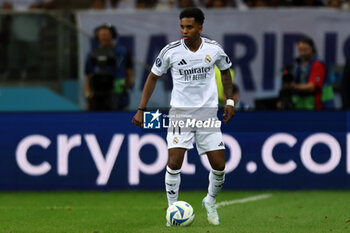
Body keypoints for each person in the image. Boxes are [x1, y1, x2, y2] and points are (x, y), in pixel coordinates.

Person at [132, 7, 234, 226]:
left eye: (189, 27)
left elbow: (225, 71)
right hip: (180, 114)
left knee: (219, 165)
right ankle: (172, 210)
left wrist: (230, 101)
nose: (184, 31)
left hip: (207, 114)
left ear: (200, 27)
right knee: (174, 161)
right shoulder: (171, 51)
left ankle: (210, 201)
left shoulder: (214, 49)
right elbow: (152, 77)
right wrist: (141, 109)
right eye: (182, 27)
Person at [85, 23, 134, 110]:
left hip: (118, 95)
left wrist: (127, 84)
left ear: (113, 36)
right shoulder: (92, 54)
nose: (104, 37)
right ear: (98, 37)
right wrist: (88, 97)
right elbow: (88, 77)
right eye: (102, 35)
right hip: (97, 96)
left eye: (106, 35)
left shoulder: (123, 52)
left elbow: (130, 76)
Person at [282, 36, 326, 110]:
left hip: (317, 103)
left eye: (305, 50)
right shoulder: (299, 63)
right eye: (300, 50)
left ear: (312, 48)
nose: (302, 53)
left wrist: (293, 86)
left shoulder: (318, 64)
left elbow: (312, 87)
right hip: (301, 102)